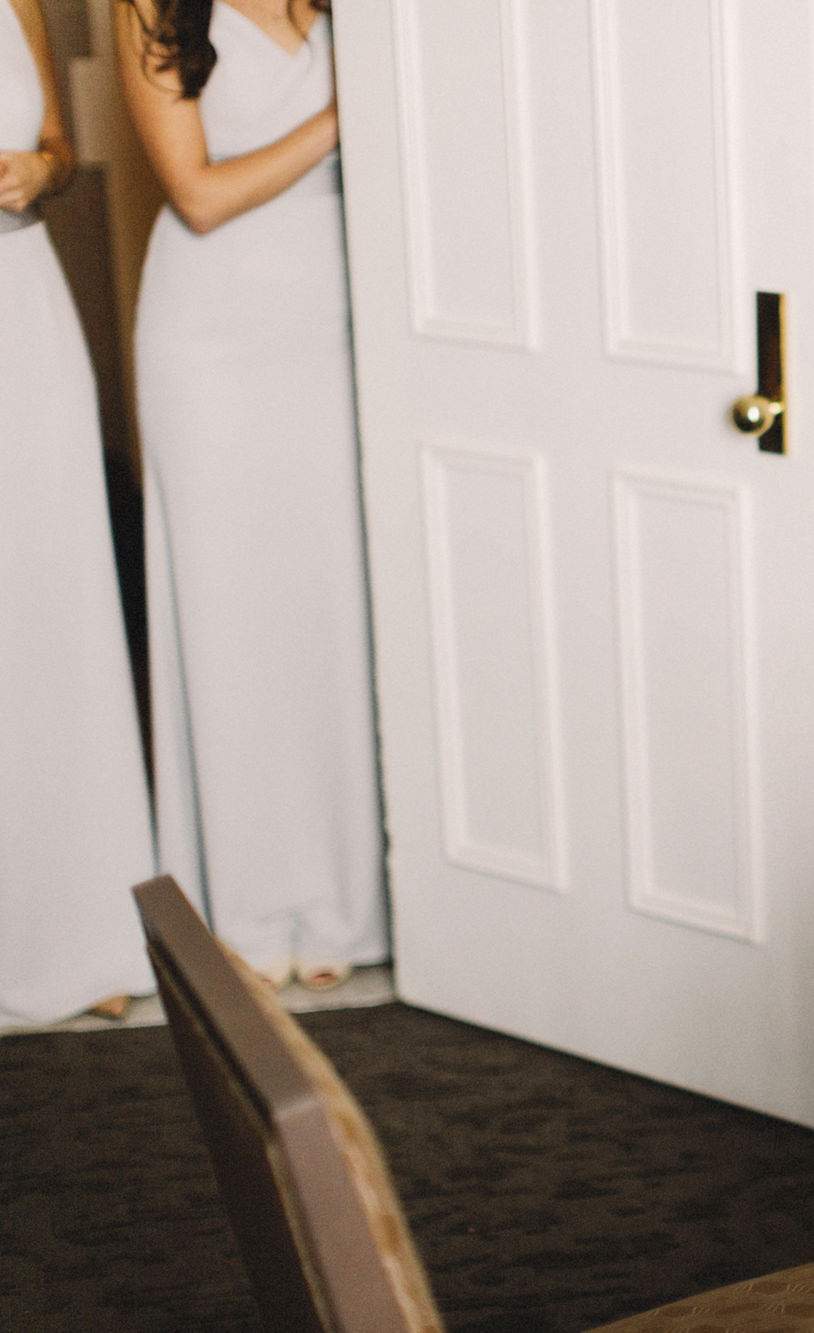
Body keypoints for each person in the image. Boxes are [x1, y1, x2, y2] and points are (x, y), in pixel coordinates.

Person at [119, 0, 383, 990]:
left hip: (343, 317)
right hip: (213, 337)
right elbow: (198, 195)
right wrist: (351, 113)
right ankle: (251, 906)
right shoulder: (155, 6)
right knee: (237, 621)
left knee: (335, 609)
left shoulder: (346, 8)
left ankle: (351, 902)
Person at [0, 0, 158, 1025]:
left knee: (55, 605)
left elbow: (59, 143)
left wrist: (38, 171)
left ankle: (84, 931)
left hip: (21, 305)